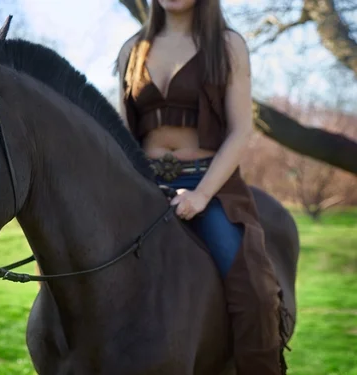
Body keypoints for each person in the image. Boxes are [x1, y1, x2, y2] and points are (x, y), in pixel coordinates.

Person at [115, 1, 289, 374]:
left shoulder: (227, 45)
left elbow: (242, 131)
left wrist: (202, 195)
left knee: (254, 292)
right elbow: (122, 131)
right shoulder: (133, 48)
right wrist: (132, 188)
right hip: (142, 183)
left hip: (208, 183)